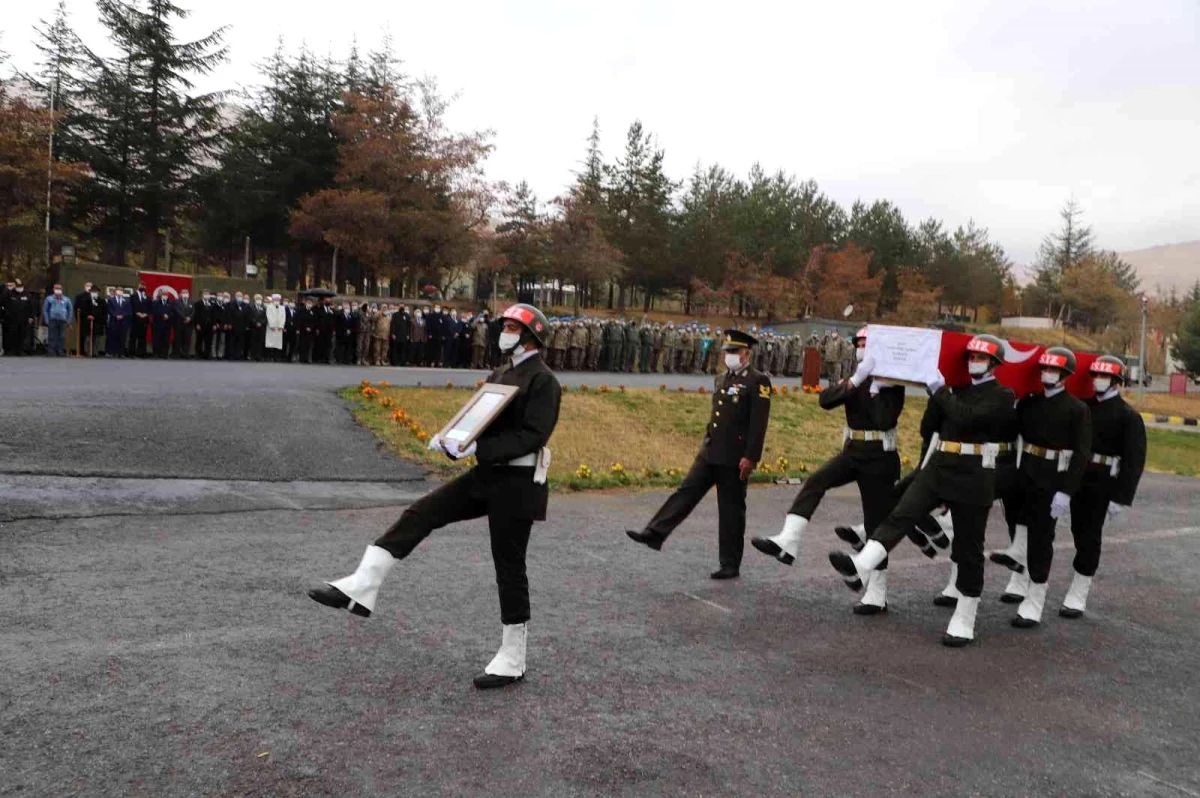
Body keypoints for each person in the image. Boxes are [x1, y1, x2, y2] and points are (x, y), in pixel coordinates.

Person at [310, 303, 562, 689]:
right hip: (488, 475)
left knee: (508, 565)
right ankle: (363, 584)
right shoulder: (502, 372)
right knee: (422, 512)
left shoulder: (543, 381)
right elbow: (481, 418)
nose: (505, 331)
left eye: (512, 326)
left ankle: (513, 658)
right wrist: (456, 439)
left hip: (518, 483)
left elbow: (533, 436)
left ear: (531, 335)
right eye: (505, 325)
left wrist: (477, 448)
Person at [827, 334, 1018, 647]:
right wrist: (935, 389)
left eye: (980, 359)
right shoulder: (953, 390)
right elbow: (931, 425)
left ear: (995, 364)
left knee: (969, 548)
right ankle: (860, 566)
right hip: (941, 464)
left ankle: (965, 616)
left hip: (974, 474)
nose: (973, 363)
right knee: (900, 513)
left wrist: (940, 389)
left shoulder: (1002, 395)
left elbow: (966, 418)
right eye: (970, 358)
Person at [752, 327, 905, 614]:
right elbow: (825, 400)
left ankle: (877, 593)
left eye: (866, 343)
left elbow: (884, 419)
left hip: (880, 456)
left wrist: (873, 389)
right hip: (853, 451)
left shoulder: (892, 382)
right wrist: (855, 382)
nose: (861, 347)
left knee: (875, 523)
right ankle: (789, 540)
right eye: (858, 343)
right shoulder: (854, 376)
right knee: (816, 481)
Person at [626, 330, 773, 578]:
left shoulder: (758, 381)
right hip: (711, 450)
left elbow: (758, 424)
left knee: (731, 511)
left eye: (734, 352)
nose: (729, 356)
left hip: (734, 457)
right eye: (727, 352)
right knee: (685, 492)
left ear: (746, 353)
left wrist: (751, 457)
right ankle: (654, 533)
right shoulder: (721, 379)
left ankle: (730, 564)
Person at [1055, 355, 1146, 618]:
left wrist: (1122, 496)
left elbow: (1134, 460)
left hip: (1102, 481)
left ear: (1117, 382)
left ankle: (1079, 590)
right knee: (1076, 529)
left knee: (1089, 535)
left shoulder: (1129, 416)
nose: (1098, 381)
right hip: (1075, 476)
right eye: (1095, 376)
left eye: (1104, 377)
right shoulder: (1083, 406)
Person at [1009, 347, 1091, 630]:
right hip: (1025, 473)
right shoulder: (1030, 404)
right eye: (1044, 369)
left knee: (1041, 540)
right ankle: (1018, 577)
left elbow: (1081, 455)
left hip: (1052, 480)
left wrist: (1066, 491)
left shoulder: (1078, 409)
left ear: (1065, 375)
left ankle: (1035, 599)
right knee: (1016, 526)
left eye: (1053, 370)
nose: (1047, 374)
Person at [42, 284, 73, 356]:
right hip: (52, 320)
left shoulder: (66, 299)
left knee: (62, 336)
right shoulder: (49, 299)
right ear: (53, 289)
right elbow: (45, 310)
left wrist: (68, 321)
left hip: (63, 320)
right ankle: (51, 351)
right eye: (56, 288)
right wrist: (46, 320)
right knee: (52, 336)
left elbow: (70, 310)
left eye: (59, 288)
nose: (58, 289)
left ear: (62, 289)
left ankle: (60, 351)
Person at [105, 287, 130, 357]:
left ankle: (121, 353)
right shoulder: (110, 299)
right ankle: (111, 352)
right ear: (116, 291)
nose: (120, 291)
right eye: (119, 290)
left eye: (121, 290)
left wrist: (123, 315)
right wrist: (116, 315)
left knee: (122, 337)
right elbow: (109, 309)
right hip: (113, 321)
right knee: (112, 337)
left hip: (123, 322)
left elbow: (128, 311)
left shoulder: (127, 300)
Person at [150, 291, 175, 358]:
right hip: (157, 324)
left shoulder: (171, 303)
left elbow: (173, 312)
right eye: (163, 294)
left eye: (166, 295)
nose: (165, 296)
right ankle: (156, 353)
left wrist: (168, 316)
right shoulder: (155, 302)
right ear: (161, 295)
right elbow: (154, 311)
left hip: (167, 324)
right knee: (156, 339)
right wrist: (162, 315)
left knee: (166, 340)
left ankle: (164, 354)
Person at [130, 283, 152, 358]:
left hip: (144, 320)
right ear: (138, 286)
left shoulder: (148, 297)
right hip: (135, 319)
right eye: (141, 285)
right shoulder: (133, 296)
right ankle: (131, 353)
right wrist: (137, 313)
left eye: (144, 286)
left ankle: (141, 353)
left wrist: (146, 314)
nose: (142, 287)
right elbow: (131, 306)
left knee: (142, 337)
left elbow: (150, 307)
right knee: (133, 337)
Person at [173, 289, 194, 358]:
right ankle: (177, 354)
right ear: (181, 294)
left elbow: (193, 311)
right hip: (179, 323)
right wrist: (185, 318)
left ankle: (186, 354)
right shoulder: (176, 301)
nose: (185, 294)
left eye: (186, 292)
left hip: (189, 324)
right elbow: (177, 311)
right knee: (178, 339)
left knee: (187, 339)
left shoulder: (191, 301)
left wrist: (189, 318)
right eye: (184, 293)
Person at [265, 295, 286, 362]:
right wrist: (272, 325)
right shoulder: (269, 307)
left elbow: (283, 317)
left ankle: (276, 357)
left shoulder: (282, 308)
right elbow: (269, 316)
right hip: (271, 327)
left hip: (279, 328)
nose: (277, 301)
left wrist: (281, 326)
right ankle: (268, 357)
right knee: (270, 342)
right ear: (273, 300)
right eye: (275, 300)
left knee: (277, 343)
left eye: (278, 300)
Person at [295, 299, 316, 364]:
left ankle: (307, 358)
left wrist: (310, 328)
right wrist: (303, 328)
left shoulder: (312, 311)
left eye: (310, 303)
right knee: (302, 344)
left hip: (310, 331)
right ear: (306, 303)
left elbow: (314, 321)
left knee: (308, 345)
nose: (309, 304)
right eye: (308, 302)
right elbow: (299, 319)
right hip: (302, 330)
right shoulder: (302, 310)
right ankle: (301, 358)